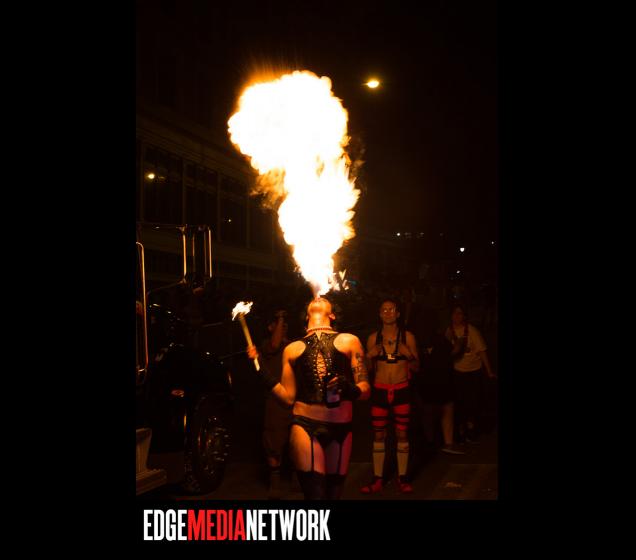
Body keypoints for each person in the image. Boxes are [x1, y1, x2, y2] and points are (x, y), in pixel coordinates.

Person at [247, 297, 370, 500]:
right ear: (306, 316)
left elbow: (365, 390)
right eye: (313, 299)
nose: (318, 298)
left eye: (324, 299)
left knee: (334, 495)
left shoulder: (350, 340)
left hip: (341, 427)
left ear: (332, 315)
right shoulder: (292, 348)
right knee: (315, 496)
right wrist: (261, 371)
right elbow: (288, 398)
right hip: (305, 426)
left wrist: (349, 389)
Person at [360, 299, 420, 494]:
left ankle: (403, 478)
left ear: (398, 314)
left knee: (402, 434)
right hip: (380, 390)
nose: (387, 313)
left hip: (402, 390)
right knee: (379, 435)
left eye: (391, 310)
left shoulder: (408, 337)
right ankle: (377, 479)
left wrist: (408, 355)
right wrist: (368, 357)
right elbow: (366, 371)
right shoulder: (373, 338)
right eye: (384, 310)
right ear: (379, 314)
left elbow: (417, 368)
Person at [445, 304, 497, 443]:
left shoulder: (472, 331)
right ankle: (461, 428)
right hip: (457, 372)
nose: (457, 316)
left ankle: (471, 427)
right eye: (455, 313)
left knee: (473, 402)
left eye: (460, 313)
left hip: (473, 372)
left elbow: (482, 351)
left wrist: (489, 371)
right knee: (459, 402)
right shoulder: (449, 331)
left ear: (464, 316)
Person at [417, 317, 465, 455]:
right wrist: (459, 342)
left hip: (426, 380)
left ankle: (429, 442)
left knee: (428, 412)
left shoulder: (417, 339)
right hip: (441, 380)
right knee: (446, 409)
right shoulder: (441, 340)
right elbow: (452, 353)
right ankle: (447, 442)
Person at [259, 310, 293, 499]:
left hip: (295, 399)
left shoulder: (293, 345)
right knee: (274, 443)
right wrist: (280, 316)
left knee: (298, 442)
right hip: (275, 401)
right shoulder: (267, 346)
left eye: (285, 323)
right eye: (279, 323)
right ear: (270, 327)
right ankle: (275, 482)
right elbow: (275, 343)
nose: (283, 326)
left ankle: (299, 480)